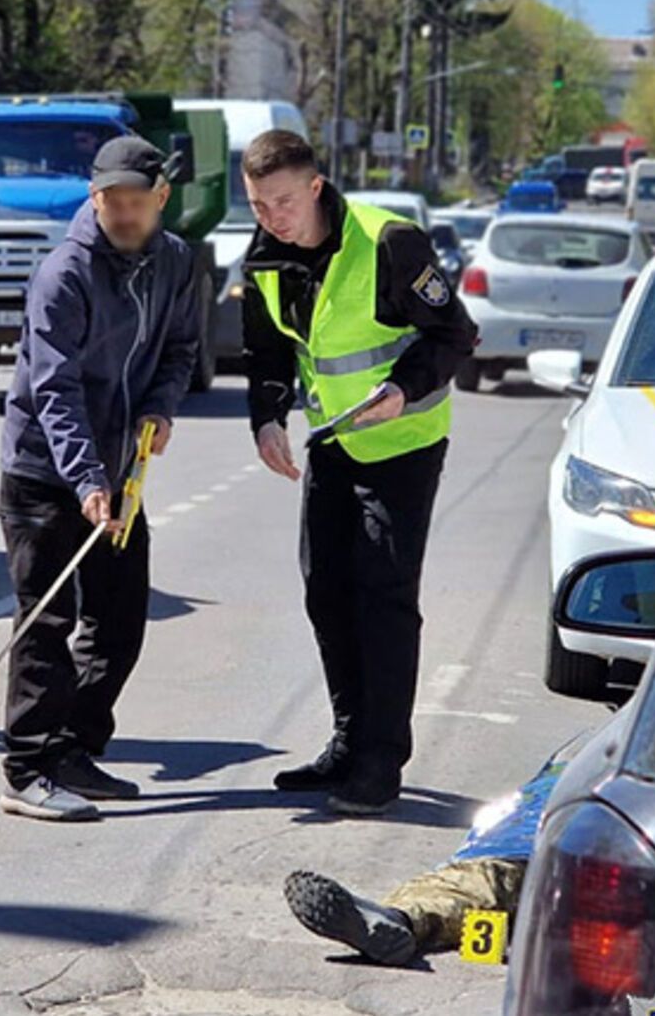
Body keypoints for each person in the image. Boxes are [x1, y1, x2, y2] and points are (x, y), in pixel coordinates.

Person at [240, 129, 474, 817]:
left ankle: (381, 762)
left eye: (283, 202)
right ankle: (348, 741)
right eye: (258, 205)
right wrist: (266, 417)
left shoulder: (389, 243)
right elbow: (266, 352)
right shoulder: (265, 257)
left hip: (404, 441)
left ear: (315, 188)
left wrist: (403, 388)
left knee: (384, 596)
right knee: (327, 593)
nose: (273, 218)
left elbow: (454, 334)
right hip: (334, 443)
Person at [0, 135, 201, 822]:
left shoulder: (175, 261)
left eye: (136, 202)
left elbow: (180, 348)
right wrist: (85, 479)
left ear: (162, 198)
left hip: (120, 470)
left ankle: (73, 748)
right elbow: (54, 390)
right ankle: (25, 769)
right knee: (47, 619)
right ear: (94, 196)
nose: (122, 213)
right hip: (43, 472)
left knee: (118, 620)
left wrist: (159, 410)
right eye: (111, 200)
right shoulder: (65, 273)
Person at [281, 734, 581, 965]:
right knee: (478, 882)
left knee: (483, 881)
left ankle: (401, 918)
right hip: (531, 843)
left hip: (552, 851)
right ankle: (397, 918)